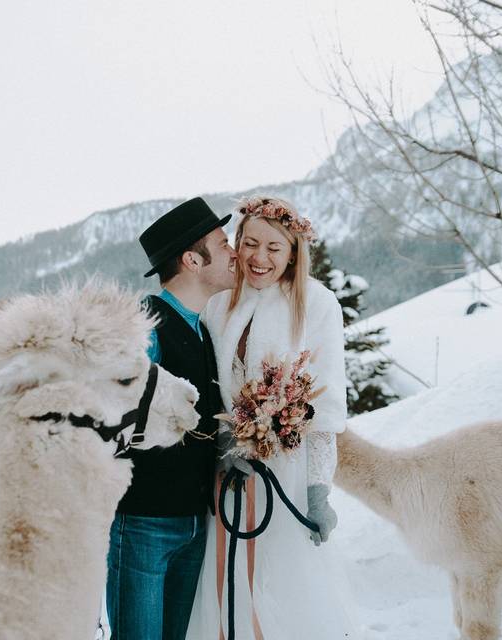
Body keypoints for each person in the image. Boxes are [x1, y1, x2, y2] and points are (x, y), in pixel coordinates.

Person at [187, 196, 357, 639]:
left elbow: (324, 408)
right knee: (227, 582)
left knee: (276, 582)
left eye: (274, 248)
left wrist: (318, 490)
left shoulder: (316, 304)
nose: (258, 258)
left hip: (285, 474)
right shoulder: (220, 303)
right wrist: (225, 442)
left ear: (293, 253)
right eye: (249, 244)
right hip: (226, 472)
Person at [106, 197, 237, 640]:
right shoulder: (146, 329)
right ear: (192, 260)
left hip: (191, 525)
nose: (234, 252)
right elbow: (109, 419)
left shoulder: (204, 328)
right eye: (223, 245)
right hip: (141, 524)